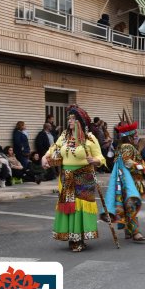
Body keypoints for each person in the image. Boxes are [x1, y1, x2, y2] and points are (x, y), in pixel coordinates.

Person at [42, 105, 105, 252]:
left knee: (79, 207)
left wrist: (94, 161)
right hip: (67, 176)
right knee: (68, 207)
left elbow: (100, 157)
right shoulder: (64, 136)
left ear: (81, 122)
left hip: (84, 175)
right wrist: (45, 157)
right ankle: (71, 237)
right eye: (69, 118)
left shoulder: (90, 138)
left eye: (73, 118)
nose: (69, 121)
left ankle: (79, 238)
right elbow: (54, 149)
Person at [104, 116, 145, 243]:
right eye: (135, 135)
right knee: (132, 204)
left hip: (129, 179)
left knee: (128, 204)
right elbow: (127, 161)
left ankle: (128, 230)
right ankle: (135, 232)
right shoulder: (127, 147)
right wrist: (143, 168)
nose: (137, 138)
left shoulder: (122, 146)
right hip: (130, 180)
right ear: (130, 137)